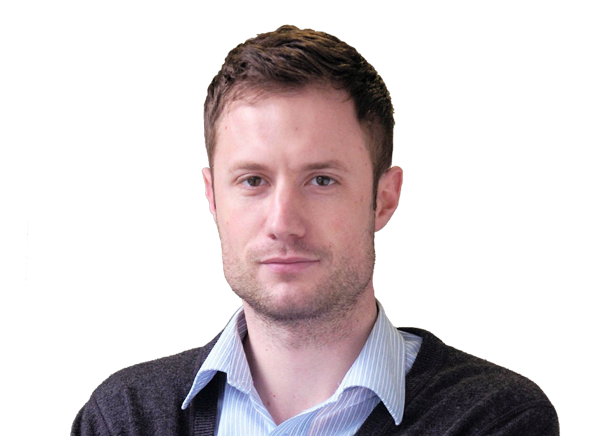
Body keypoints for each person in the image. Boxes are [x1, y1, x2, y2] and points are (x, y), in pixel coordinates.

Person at [72, 25, 559, 436]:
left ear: (383, 199)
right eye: (253, 180)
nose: (283, 223)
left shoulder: (495, 419)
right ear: (213, 198)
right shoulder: (125, 418)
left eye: (322, 180)